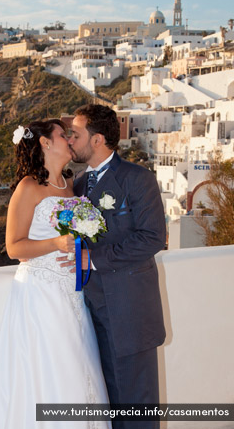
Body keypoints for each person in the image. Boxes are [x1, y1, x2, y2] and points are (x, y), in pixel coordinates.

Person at [0, 119, 111, 429]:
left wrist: (82, 249)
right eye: (61, 135)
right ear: (45, 143)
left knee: (79, 366)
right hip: (40, 294)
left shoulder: (70, 184)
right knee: (54, 369)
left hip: (72, 292)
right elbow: (14, 247)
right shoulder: (28, 187)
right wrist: (55, 243)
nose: (69, 139)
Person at [68, 104, 165, 429]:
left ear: (97, 140)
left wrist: (94, 260)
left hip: (129, 312)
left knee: (136, 404)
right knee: (107, 403)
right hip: (91, 313)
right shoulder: (79, 186)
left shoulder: (138, 179)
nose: (70, 141)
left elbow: (152, 237)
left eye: (76, 134)